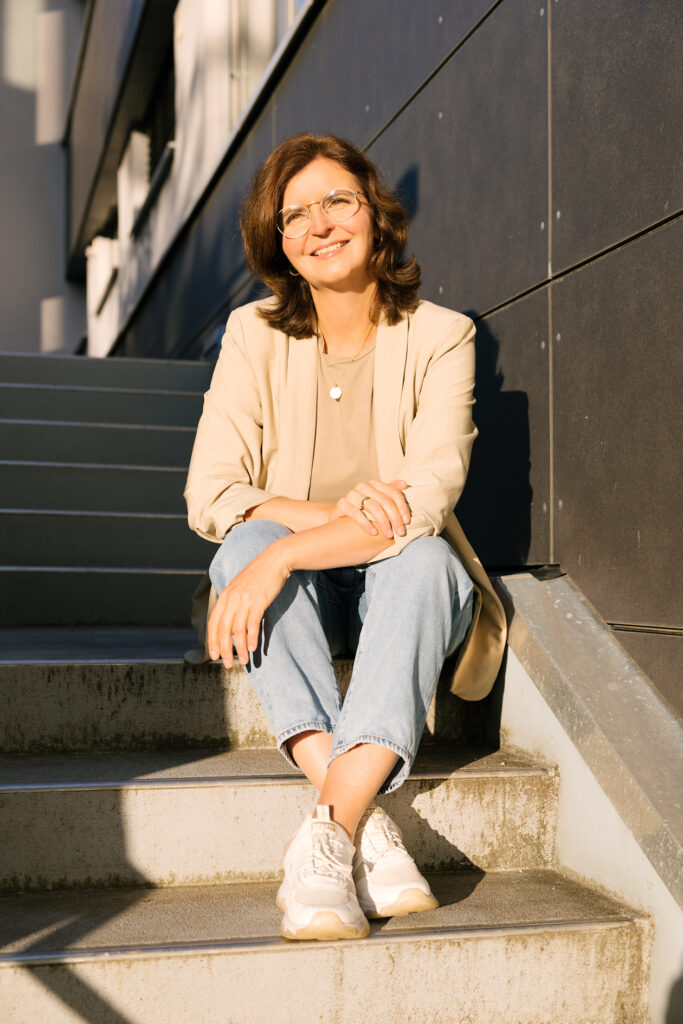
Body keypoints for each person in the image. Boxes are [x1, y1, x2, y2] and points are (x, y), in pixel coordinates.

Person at [184, 133, 506, 942]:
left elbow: (426, 497)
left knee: (423, 557)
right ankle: (367, 830)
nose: (320, 223)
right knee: (240, 551)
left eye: (338, 201)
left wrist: (288, 545)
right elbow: (212, 493)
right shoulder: (253, 335)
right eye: (297, 214)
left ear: (374, 216)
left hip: (405, 582)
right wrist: (296, 535)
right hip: (306, 599)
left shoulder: (442, 335)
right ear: (281, 244)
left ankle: (327, 830)